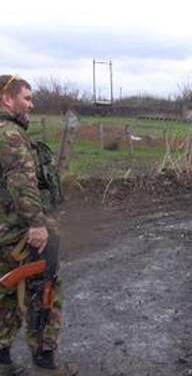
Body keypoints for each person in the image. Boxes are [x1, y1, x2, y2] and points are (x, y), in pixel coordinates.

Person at [0, 75, 76, 375]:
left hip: (4, 230)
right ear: (7, 99)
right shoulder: (10, 135)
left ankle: (2, 361)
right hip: (19, 229)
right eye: (27, 98)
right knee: (44, 290)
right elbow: (22, 182)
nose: (31, 104)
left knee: (5, 293)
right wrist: (37, 224)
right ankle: (44, 363)